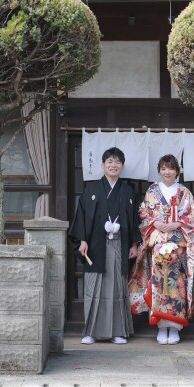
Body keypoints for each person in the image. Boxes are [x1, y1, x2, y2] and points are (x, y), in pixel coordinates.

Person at [69, 147, 141, 345]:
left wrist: (134, 244)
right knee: (94, 288)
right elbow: (82, 216)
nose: (113, 165)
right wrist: (82, 241)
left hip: (119, 244)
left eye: (117, 162)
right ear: (102, 165)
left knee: (118, 287)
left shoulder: (127, 191)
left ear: (122, 166)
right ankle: (90, 332)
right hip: (95, 245)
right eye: (109, 161)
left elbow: (134, 219)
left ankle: (118, 331)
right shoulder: (91, 190)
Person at [129, 154, 194, 345]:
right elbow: (143, 213)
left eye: (171, 168)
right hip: (158, 243)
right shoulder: (152, 191)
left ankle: (175, 327)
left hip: (178, 245)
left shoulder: (184, 192)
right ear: (159, 171)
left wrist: (178, 222)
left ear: (177, 171)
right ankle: (161, 325)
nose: (167, 172)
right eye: (163, 168)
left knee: (176, 284)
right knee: (159, 284)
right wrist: (157, 223)